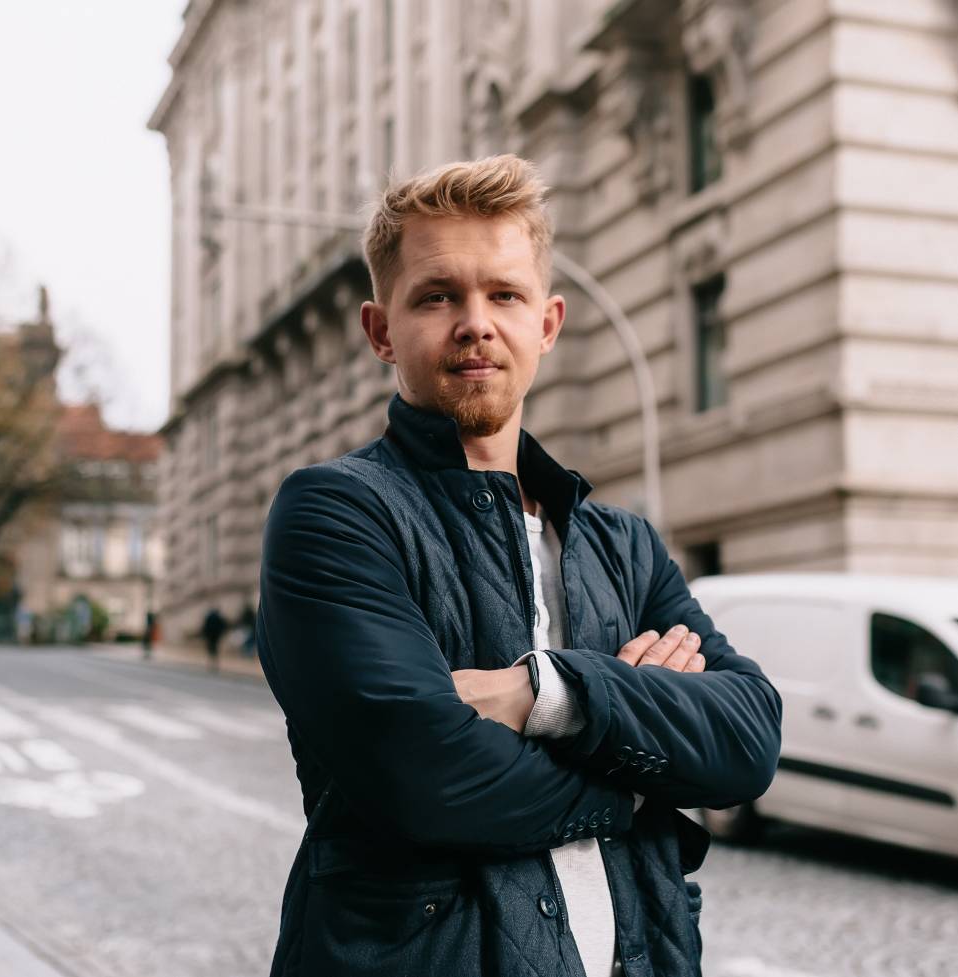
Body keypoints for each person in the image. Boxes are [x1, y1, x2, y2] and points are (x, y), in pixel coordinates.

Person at [257, 155, 782, 977]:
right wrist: (641, 777)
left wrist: (547, 692)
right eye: (437, 295)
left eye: (503, 293)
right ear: (380, 330)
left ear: (547, 322)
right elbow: (423, 778)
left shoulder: (624, 545)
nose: (475, 322)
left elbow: (747, 740)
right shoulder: (336, 512)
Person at [199, 607, 227, 672]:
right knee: (214, 649)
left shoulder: (209, 617)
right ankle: (214, 663)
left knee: (211, 649)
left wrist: (204, 635)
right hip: (216, 636)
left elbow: (205, 626)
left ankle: (212, 662)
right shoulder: (218, 618)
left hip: (210, 636)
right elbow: (223, 626)